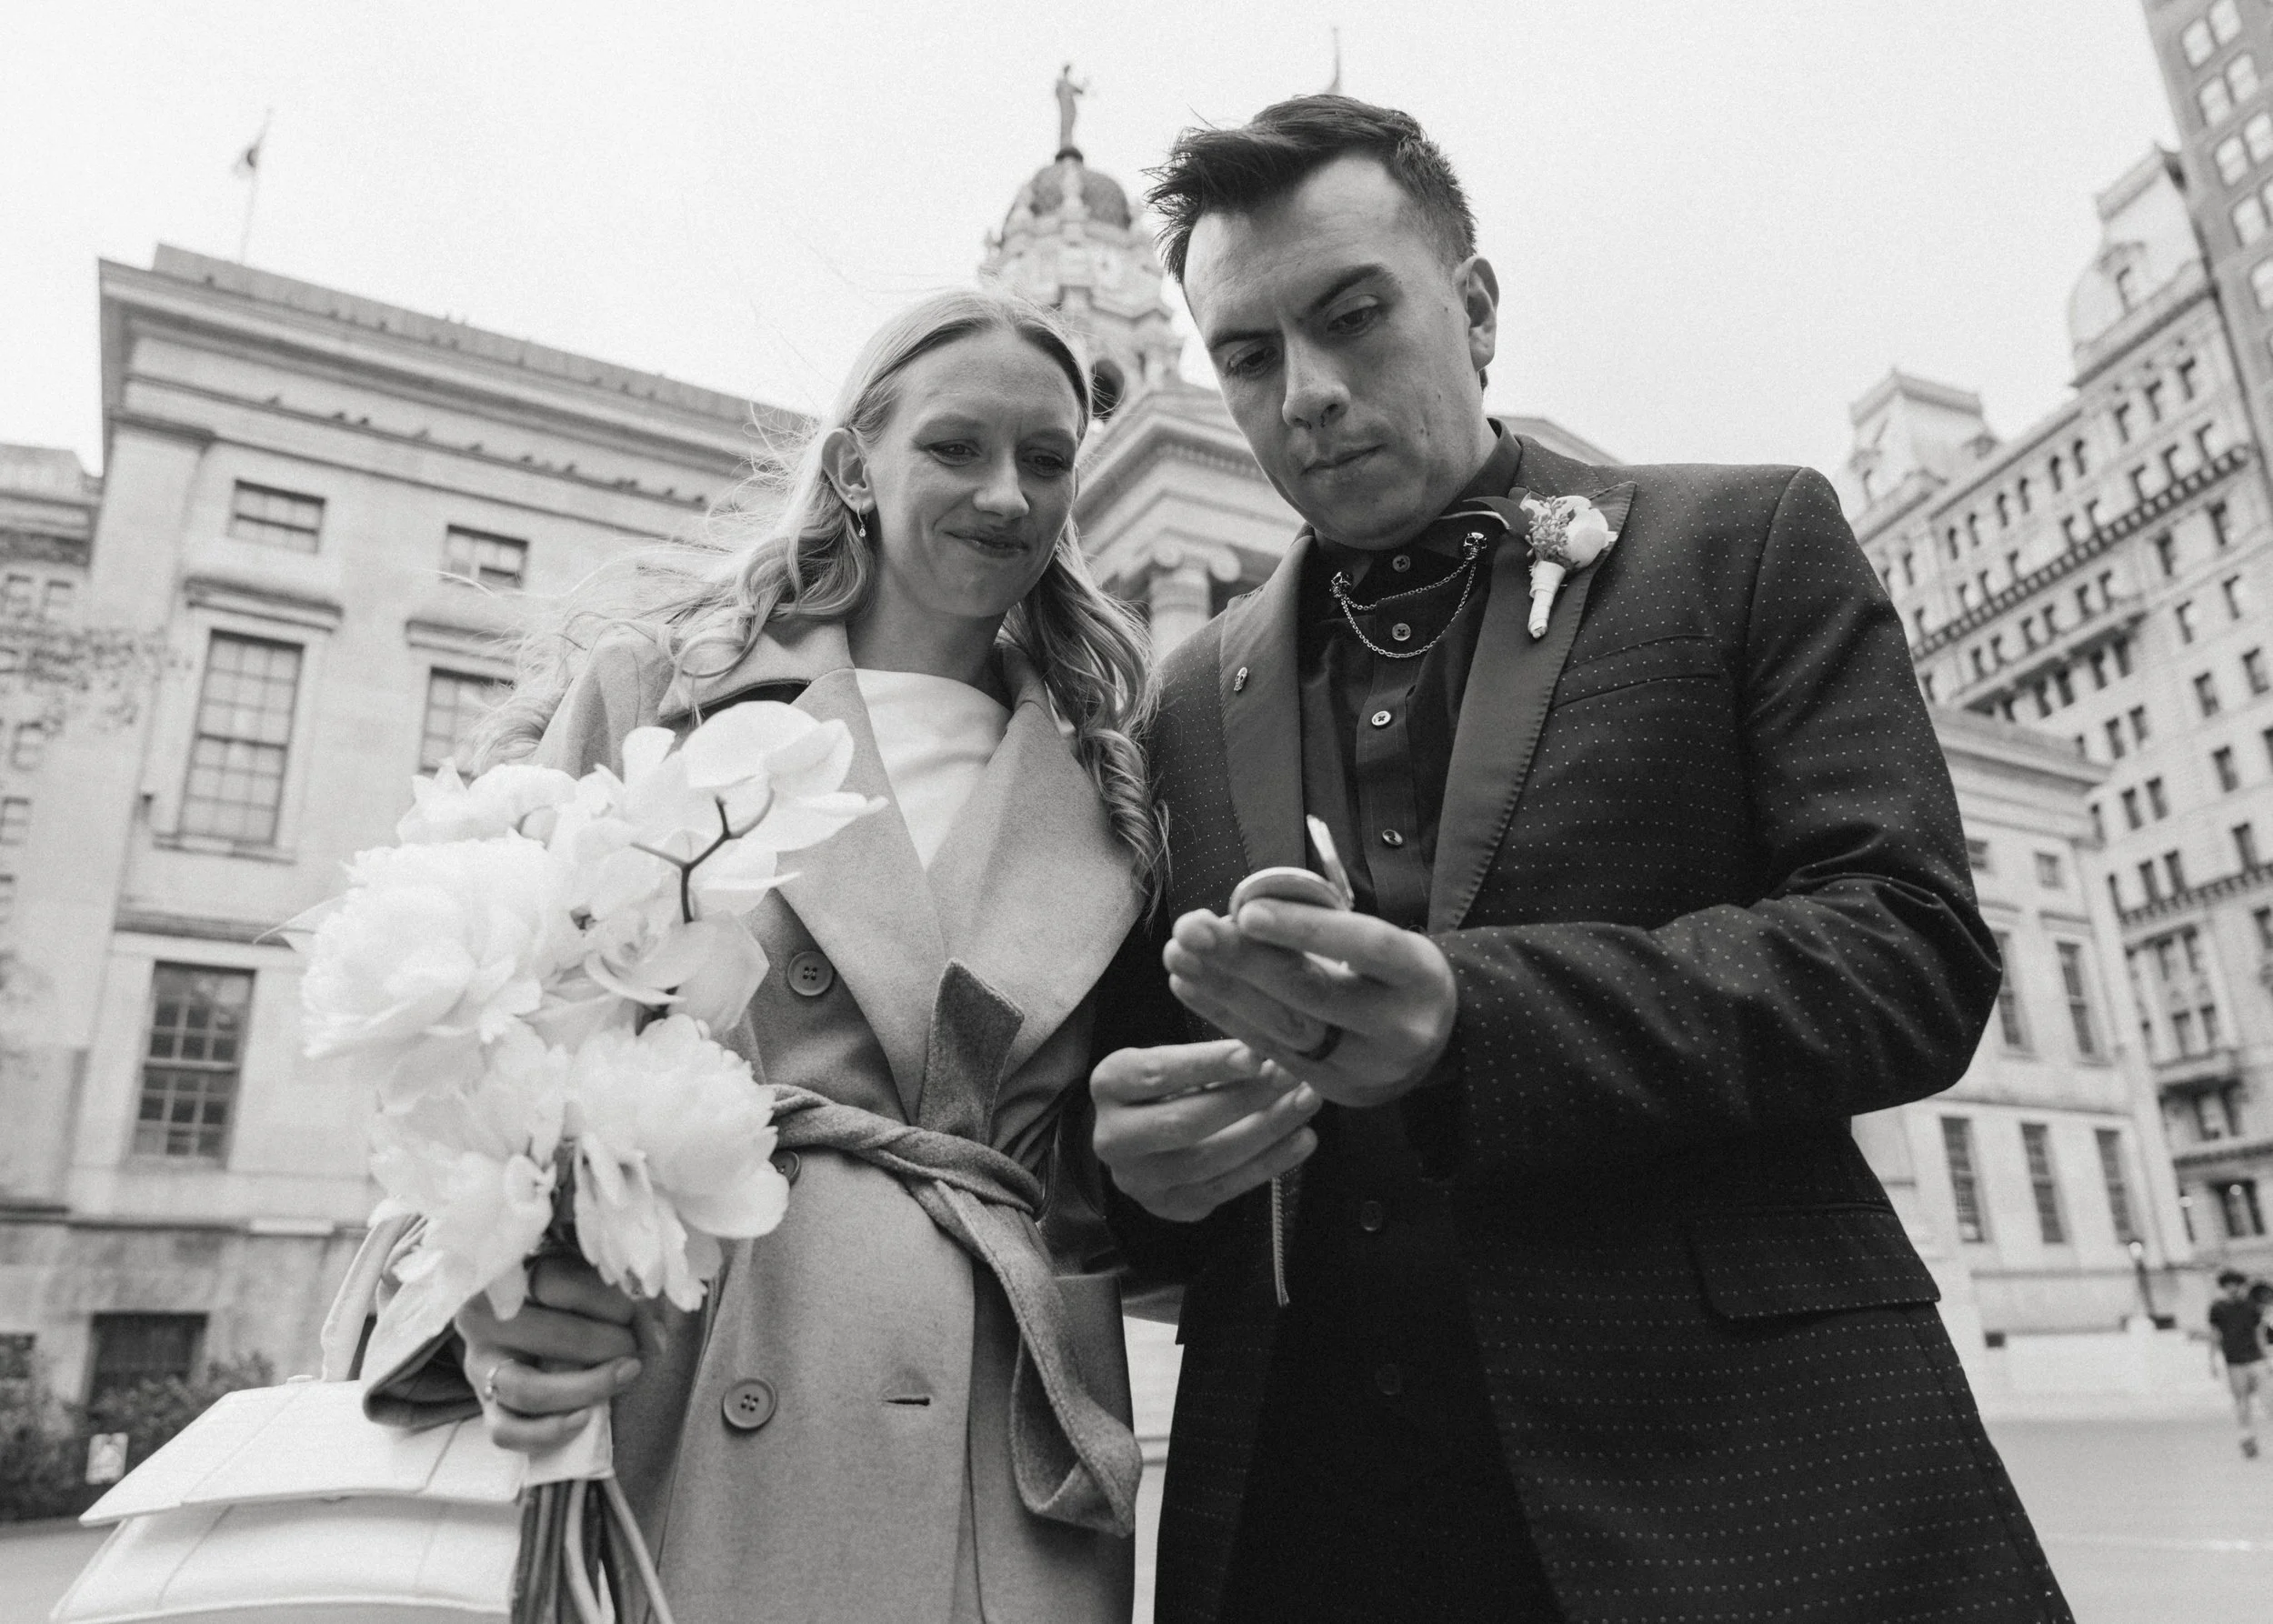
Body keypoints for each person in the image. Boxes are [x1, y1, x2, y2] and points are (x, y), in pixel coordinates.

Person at [1086, 96, 2073, 1623]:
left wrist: (1478, 1020)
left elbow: (1913, 950)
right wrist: (1149, 1173)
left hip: (1734, 1495)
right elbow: (1177, 1092)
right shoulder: (1180, 696)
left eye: (1356, 316)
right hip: (1304, 1515)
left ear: (1474, 311)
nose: (1313, 392)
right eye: (1250, 355)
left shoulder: (1742, 545)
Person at [357, 286, 1159, 1623]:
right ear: (855, 462)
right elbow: (481, 1036)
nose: (1007, 494)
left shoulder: (1108, 789)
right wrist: (481, 1295)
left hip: (997, 1446)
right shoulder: (657, 690)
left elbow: (1090, 1173)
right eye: (957, 447)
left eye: (1047, 457)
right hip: (701, 1362)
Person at [2210, 1268, 2268, 1457]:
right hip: (2234, 1360)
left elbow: (2259, 1332)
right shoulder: (2218, 1308)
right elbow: (2215, 1335)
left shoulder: (2250, 1306)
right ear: (2224, 1287)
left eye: (2235, 1284)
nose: (2232, 1288)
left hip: (2255, 1357)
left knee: (2269, 1398)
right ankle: (2247, 1437)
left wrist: (2266, 1357)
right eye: (2228, 1285)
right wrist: (2212, 1360)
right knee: (2241, 1400)